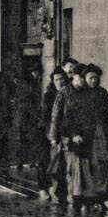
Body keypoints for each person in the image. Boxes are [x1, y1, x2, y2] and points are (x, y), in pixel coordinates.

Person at [51, 63, 108, 211]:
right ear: (74, 77)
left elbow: (104, 114)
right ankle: (70, 197)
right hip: (68, 136)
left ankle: (91, 198)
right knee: (70, 169)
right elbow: (57, 116)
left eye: (94, 78)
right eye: (84, 78)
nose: (86, 81)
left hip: (91, 136)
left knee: (91, 169)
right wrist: (55, 137)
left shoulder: (95, 92)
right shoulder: (65, 92)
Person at [42, 68, 70, 202]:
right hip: (53, 134)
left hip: (67, 132)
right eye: (56, 80)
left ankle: (63, 192)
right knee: (56, 165)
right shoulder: (49, 95)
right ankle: (58, 192)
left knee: (65, 165)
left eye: (62, 79)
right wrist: (52, 137)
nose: (59, 82)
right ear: (52, 81)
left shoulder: (69, 92)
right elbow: (47, 117)